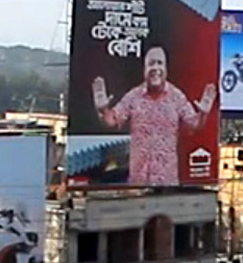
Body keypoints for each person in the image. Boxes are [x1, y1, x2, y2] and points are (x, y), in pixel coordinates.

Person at [92, 45, 218, 188]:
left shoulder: (177, 97)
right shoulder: (133, 96)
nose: (156, 68)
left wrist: (203, 114)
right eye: (151, 64)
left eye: (160, 63)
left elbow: (194, 125)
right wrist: (102, 110)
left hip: (167, 185)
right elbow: (112, 122)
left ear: (166, 68)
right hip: (138, 184)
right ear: (144, 69)